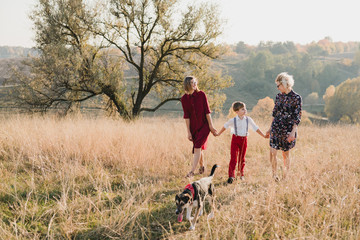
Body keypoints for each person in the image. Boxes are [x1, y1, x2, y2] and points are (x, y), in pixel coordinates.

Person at [216, 101, 267, 183]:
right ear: (237, 112)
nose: (245, 110)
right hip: (235, 139)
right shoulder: (233, 120)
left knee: (242, 158)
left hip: (244, 140)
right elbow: (225, 126)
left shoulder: (248, 120)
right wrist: (218, 133)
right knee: (233, 158)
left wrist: (263, 135)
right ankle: (231, 176)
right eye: (243, 109)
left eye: (245, 109)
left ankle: (240, 174)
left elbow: (255, 128)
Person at [265, 72, 302, 181]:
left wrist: (293, 132)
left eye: (278, 85)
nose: (277, 88)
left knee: (285, 154)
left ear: (285, 84)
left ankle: (285, 177)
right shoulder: (278, 97)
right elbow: (274, 113)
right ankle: (274, 175)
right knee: (272, 152)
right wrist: (270, 128)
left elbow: (298, 115)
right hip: (276, 127)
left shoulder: (296, 97)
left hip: (288, 129)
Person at [181, 76, 217, 178]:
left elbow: (207, 111)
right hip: (193, 127)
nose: (194, 84)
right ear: (187, 84)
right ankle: (202, 166)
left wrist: (211, 126)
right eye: (192, 82)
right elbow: (186, 116)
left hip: (204, 126)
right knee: (199, 147)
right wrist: (188, 132)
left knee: (197, 148)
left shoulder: (201, 95)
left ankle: (191, 172)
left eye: (195, 82)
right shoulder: (184, 99)